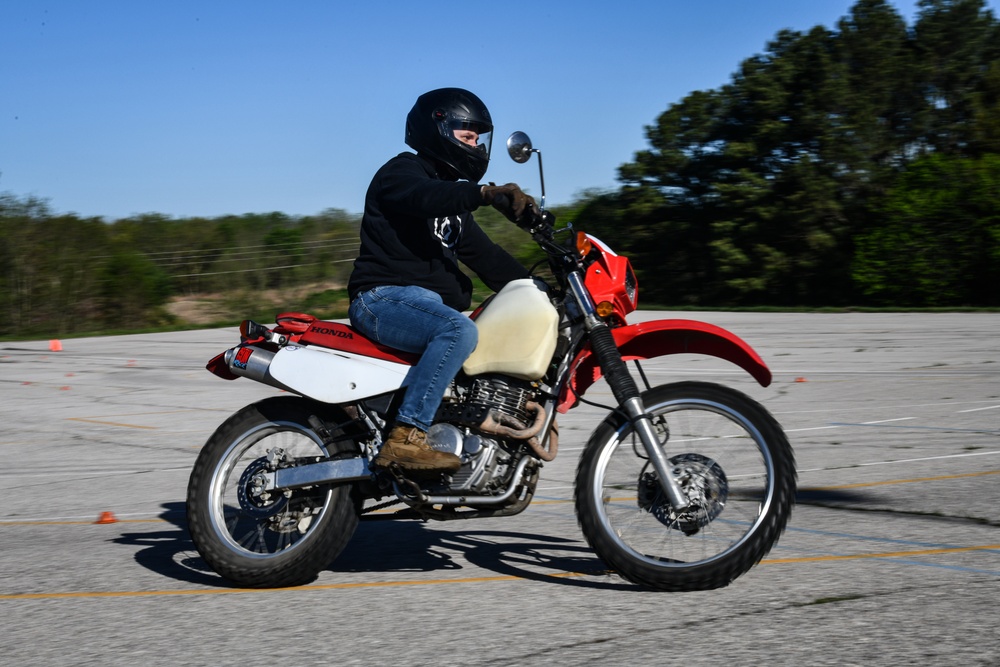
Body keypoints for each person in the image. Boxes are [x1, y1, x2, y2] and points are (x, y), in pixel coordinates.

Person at [347, 87, 535, 473]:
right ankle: (406, 438)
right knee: (458, 331)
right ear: (439, 130)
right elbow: (425, 196)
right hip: (381, 300)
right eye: (468, 136)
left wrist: (541, 289)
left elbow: (488, 259)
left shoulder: (454, 212)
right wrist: (482, 193)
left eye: (479, 139)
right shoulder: (402, 173)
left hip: (422, 307)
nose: (476, 146)